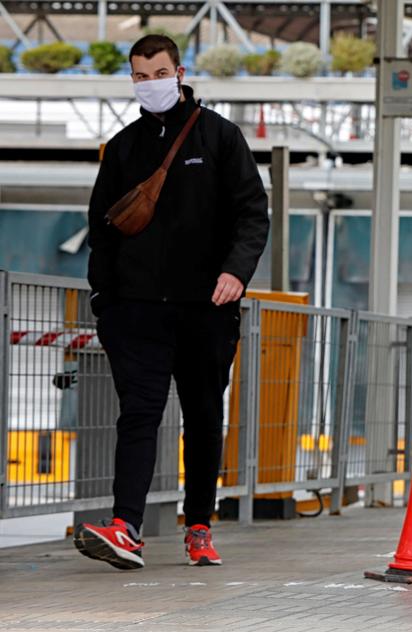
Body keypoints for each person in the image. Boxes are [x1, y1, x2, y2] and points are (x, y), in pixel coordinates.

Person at [75, 35, 269, 570]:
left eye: (157, 73)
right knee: (139, 413)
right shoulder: (122, 148)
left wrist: (236, 272)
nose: (149, 84)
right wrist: (103, 300)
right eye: (139, 76)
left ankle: (200, 526)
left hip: (207, 307)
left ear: (179, 71)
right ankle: (126, 527)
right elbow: (102, 229)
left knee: (203, 416)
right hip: (135, 310)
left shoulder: (221, 137)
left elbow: (254, 213)